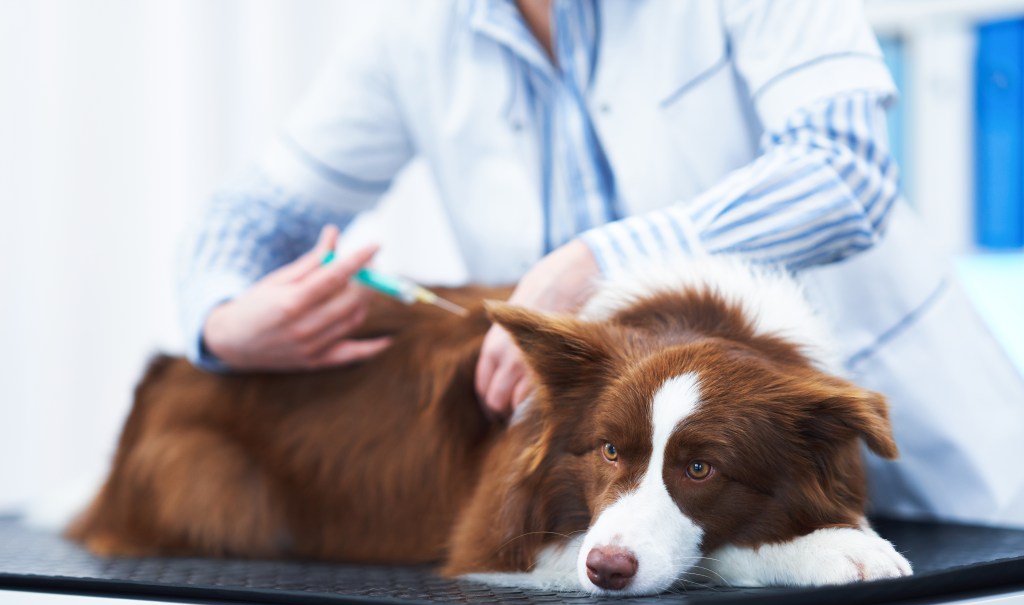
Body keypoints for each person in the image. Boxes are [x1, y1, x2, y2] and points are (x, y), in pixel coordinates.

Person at [179, 0, 1024, 527]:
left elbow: (844, 171)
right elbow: (253, 215)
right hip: (675, 503)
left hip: (931, 458)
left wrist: (599, 263)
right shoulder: (416, 30)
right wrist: (222, 320)